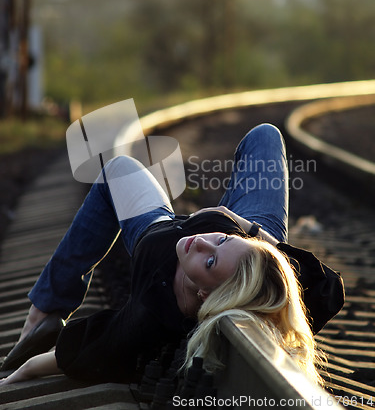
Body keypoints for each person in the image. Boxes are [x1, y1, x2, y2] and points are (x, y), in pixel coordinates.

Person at [0, 124, 344, 386]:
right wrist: (250, 234)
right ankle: (238, 248)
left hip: (159, 228)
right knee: (265, 135)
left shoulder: (148, 314)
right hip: (250, 237)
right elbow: (328, 288)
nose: (202, 243)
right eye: (217, 242)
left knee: (117, 169)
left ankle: (41, 313)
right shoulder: (240, 255)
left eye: (209, 261)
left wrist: (21, 372)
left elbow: (82, 349)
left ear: (204, 294)